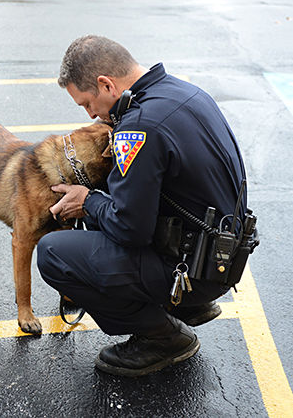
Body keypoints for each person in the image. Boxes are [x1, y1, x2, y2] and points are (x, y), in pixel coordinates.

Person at [37, 35, 247, 376]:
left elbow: (129, 229)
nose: (91, 114)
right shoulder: (184, 91)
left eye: (87, 103)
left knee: (53, 253)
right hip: (220, 257)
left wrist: (87, 201)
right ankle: (186, 307)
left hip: (192, 272)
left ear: (106, 84)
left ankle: (163, 338)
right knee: (105, 207)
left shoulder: (138, 127)